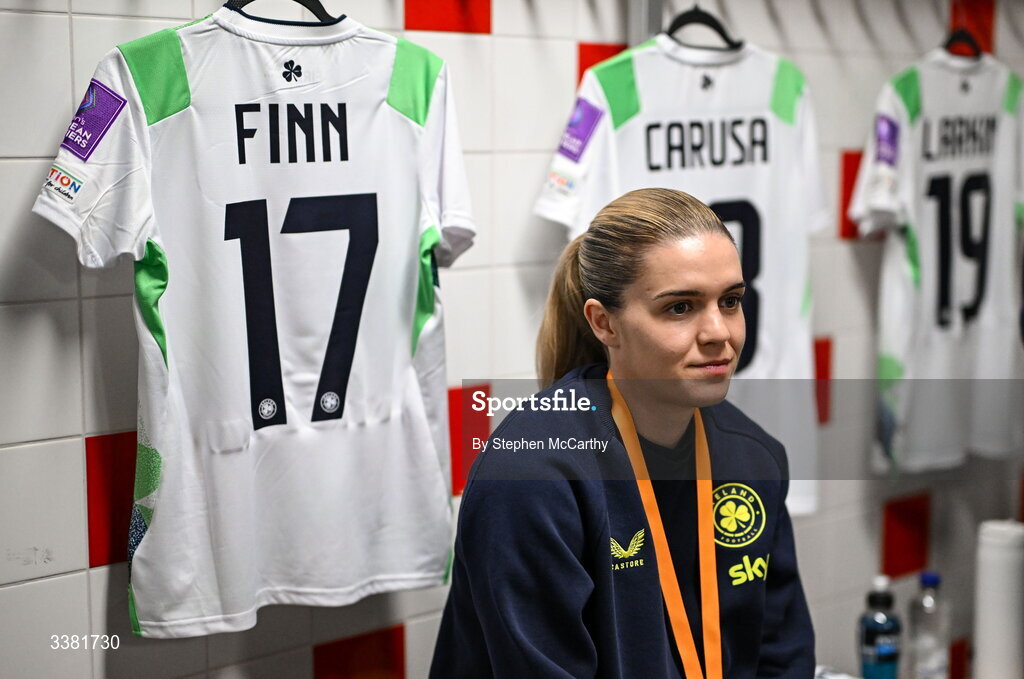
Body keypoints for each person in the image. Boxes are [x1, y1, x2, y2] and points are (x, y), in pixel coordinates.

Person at [430, 188, 815, 678]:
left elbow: (781, 657)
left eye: (731, 301)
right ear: (603, 323)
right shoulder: (529, 476)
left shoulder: (754, 456)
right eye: (680, 307)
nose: (720, 331)